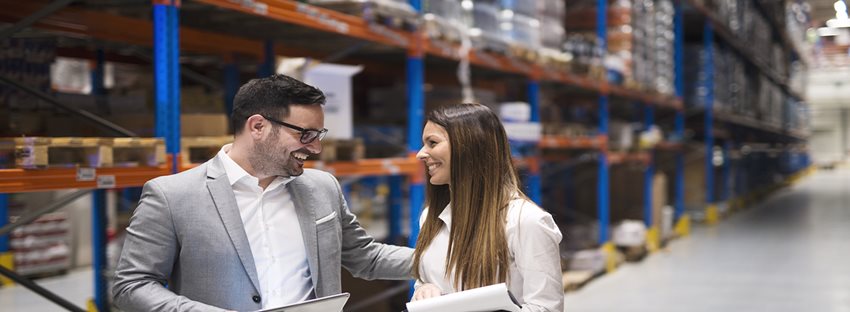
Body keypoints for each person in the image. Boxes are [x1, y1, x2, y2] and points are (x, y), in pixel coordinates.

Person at [113, 74, 413, 312]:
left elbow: (366, 257)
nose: (316, 148)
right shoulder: (173, 196)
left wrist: (450, 258)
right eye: (304, 135)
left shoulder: (322, 187)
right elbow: (132, 285)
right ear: (258, 126)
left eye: (319, 136)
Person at [410, 103, 563, 312]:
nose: (421, 154)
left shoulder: (526, 221)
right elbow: (425, 282)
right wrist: (424, 289)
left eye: (432, 143)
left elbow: (546, 308)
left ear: (469, 146)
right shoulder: (430, 218)